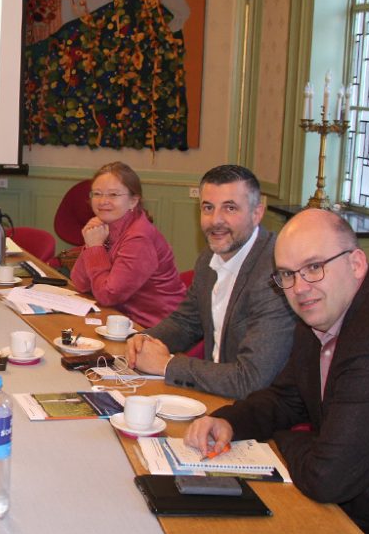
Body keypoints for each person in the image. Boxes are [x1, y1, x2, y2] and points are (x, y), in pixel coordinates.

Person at [185, 209, 369, 534]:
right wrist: (230, 421)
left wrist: (280, 438)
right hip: (350, 507)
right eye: (287, 274)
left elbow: (326, 477)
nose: (300, 287)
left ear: (357, 263)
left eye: (314, 267)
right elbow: (288, 396)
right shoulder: (322, 312)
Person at [125, 165, 295, 399]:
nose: (216, 221)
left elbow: (251, 379)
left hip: (258, 410)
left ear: (257, 213)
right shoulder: (209, 257)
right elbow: (186, 322)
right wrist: (145, 339)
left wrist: (166, 365)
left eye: (230, 208)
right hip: (212, 394)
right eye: (208, 208)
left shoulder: (276, 275)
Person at [70, 162, 187, 327]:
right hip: (118, 318)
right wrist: (91, 245)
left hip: (155, 329)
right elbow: (80, 283)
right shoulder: (104, 227)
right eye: (97, 194)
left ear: (133, 201)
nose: (103, 201)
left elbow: (108, 296)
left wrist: (95, 248)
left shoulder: (139, 238)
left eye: (113, 195)